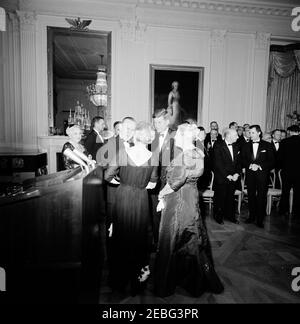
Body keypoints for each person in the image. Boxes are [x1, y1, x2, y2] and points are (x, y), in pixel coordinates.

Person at [154, 123, 224, 298]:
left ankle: (171, 279)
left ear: (184, 136)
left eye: (177, 134)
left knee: (174, 236)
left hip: (179, 199)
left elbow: (175, 182)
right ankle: (188, 276)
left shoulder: (187, 154)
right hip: (189, 197)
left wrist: (160, 195)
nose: (175, 137)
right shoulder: (197, 152)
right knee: (190, 236)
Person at [104, 122, 158, 295]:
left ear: (135, 135)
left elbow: (107, 176)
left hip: (123, 197)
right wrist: (139, 186)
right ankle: (137, 279)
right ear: (149, 138)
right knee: (138, 237)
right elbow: (153, 184)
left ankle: (119, 281)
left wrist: (122, 183)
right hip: (141, 199)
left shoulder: (123, 153)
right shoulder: (154, 157)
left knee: (121, 235)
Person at [150, 108, 176, 248]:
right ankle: (157, 241)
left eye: (159, 122)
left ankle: (169, 242)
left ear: (166, 122)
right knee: (155, 214)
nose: (156, 126)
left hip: (169, 183)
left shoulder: (175, 136)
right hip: (153, 183)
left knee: (169, 213)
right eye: (155, 123)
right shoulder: (151, 136)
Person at [241, 125, 275, 228]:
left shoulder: (267, 145)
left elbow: (272, 161)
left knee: (261, 197)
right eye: (249, 133)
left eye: (252, 133)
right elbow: (242, 159)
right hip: (250, 175)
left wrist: (259, 166)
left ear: (259, 133)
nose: (250, 135)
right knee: (251, 196)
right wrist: (250, 165)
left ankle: (260, 219)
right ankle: (251, 217)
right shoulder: (245, 145)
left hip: (262, 175)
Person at [212, 128, 241, 225]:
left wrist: (237, 173)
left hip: (233, 177)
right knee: (220, 198)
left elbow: (238, 162)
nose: (237, 137)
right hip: (222, 177)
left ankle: (230, 216)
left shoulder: (237, 145)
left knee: (230, 198)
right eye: (235, 135)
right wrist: (227, 175)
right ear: (228, 136)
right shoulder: (218, 145)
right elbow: (218, 163)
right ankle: (218, 216)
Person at [278, 125, 300, 217]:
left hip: (286, 171)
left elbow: (279, 158)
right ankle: (297, 211)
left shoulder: (284, 142)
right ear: (299, 132)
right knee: (298, 192)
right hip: (299, 172)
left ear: (290, 132)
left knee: (285, 191)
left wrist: (280, 167)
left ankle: (283, 210)